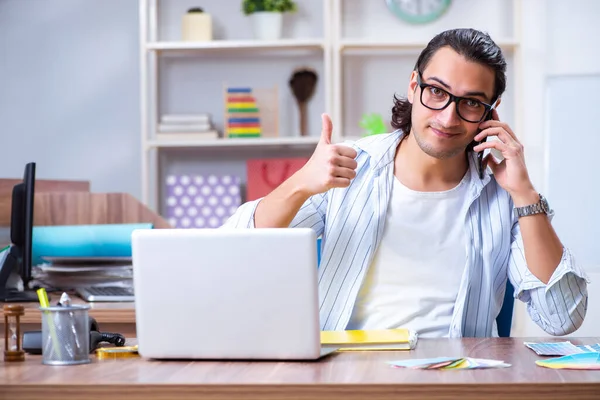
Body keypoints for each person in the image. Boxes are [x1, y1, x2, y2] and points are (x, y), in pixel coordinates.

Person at [223, 28, 589, 338]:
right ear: (414, 86)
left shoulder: (507, 197)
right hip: (347, 378)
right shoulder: (349, 166)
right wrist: (300, 183)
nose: (448, 117)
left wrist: (525, 195)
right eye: (437, 92)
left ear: (490, 112)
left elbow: (561, 318)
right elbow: (232, 254)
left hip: (458, 381)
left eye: (472, 103)